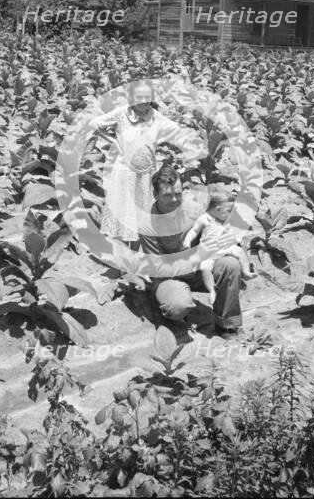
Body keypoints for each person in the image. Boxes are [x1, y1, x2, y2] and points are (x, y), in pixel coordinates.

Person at [138, 165, 243, 335]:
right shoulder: (147, 226)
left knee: (231, 265)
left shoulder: (194, 210)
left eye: (178, 194)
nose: (174, 200)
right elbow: (159, 269)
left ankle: (227, 324)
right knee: (178, 305)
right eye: (167, 195)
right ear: (155, 195)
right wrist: (195, 258)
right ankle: (172, 317)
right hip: (168, 278)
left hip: (198, 272)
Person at [90, 80, 193, 246]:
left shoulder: (156, 117)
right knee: (123, 213)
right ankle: (121, 257)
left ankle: (138, 255)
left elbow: (176, 129)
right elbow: (94, 124)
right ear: (131, 98)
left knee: (143, 215)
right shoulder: (122, 113)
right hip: (124, 172)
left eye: (148, 97)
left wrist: (157, 142)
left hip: (147, 174)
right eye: (139, 96)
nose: (144, 100)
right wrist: (114, 142)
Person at [182, 189, 253, 304]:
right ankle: (212, 290)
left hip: (225, 249)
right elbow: (194, 231)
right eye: (229, 211)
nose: (231, 214)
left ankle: (246, 272)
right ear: (218, 209)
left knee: (240, 251)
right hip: (208, 254)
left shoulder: (227, 219)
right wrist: (187, 241)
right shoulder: (204, 219)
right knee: (205, 269)